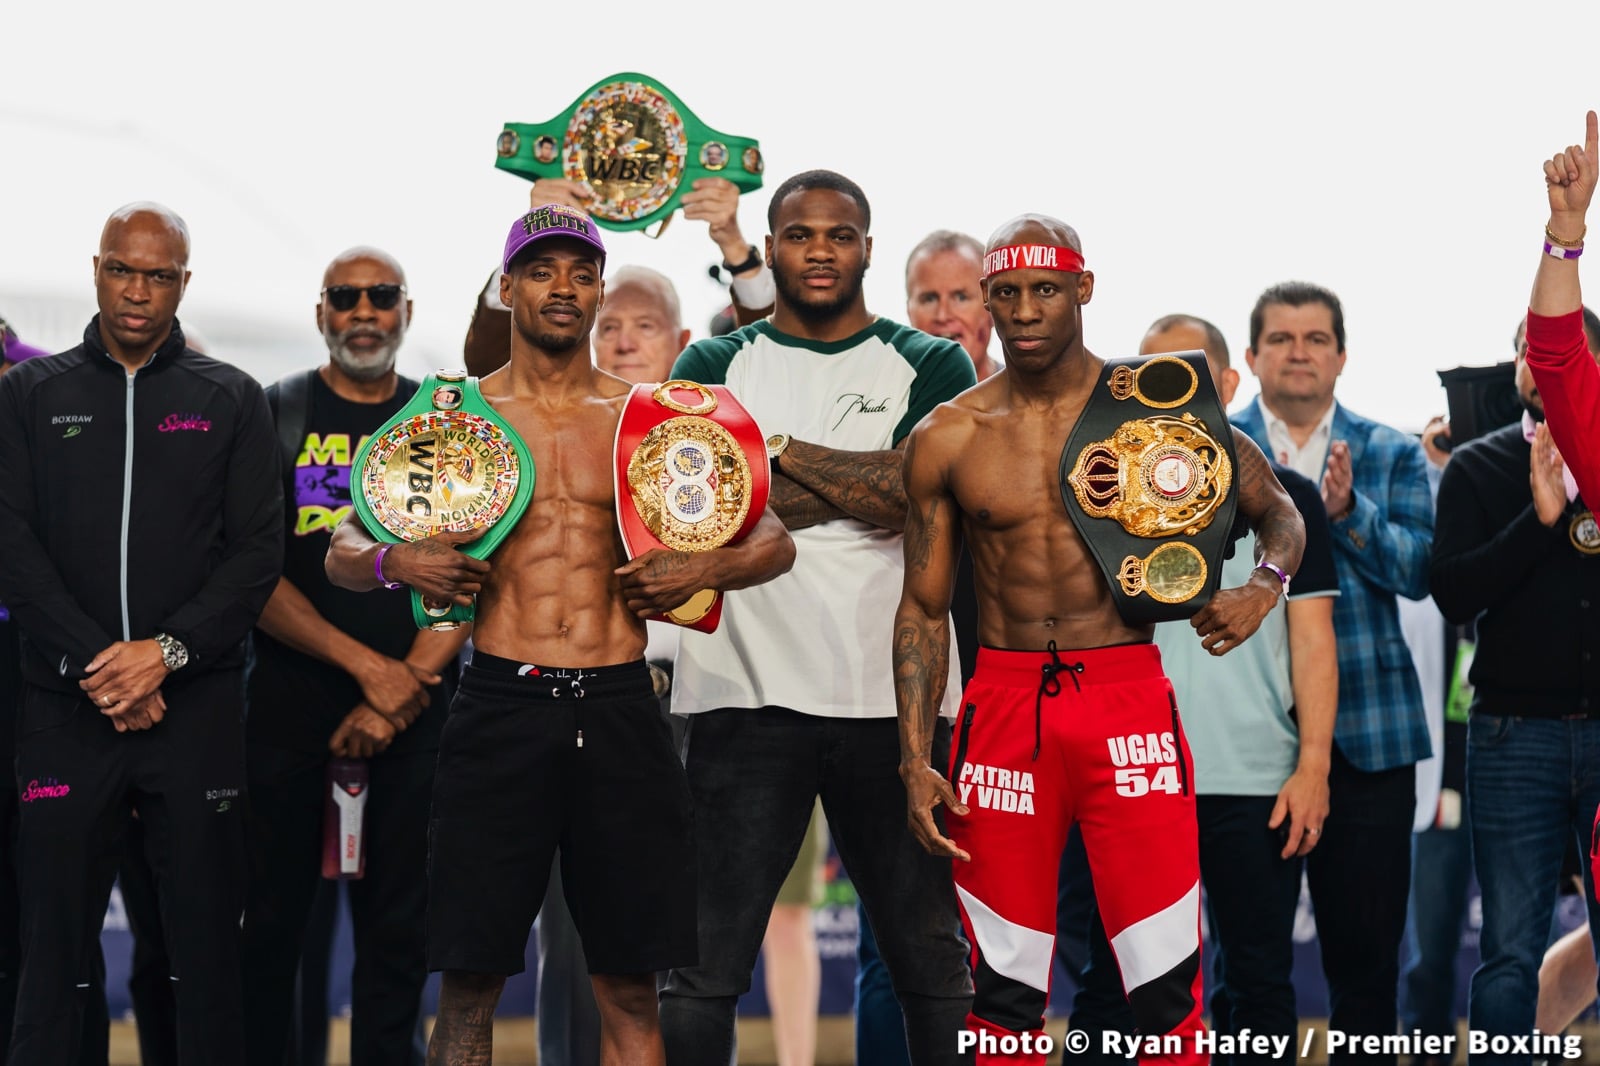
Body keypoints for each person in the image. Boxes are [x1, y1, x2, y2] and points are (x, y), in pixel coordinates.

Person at [326, 202, 795, 1066]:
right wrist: (402, 563)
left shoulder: (648, 418)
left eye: (582, 273)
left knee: (628, 988)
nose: (564, 288)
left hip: (619, 706)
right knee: (468, 988)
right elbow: (346, 548)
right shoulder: (455, 417)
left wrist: (704, 569)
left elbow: (771, 539)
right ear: (508, 288)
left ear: (599, 290)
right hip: (501, 701)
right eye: (542, 271)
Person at [895, 215, 1304, 1066]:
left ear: (1083, 289)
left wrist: (1263, 591)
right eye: (1004, 294)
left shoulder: (1153, 407)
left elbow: (1280, 514)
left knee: (1162, 980)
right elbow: (923, 610)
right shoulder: (949, 434)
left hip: (1124, 693)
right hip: (1003, 707)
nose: (1026, 311)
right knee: (1000, 991)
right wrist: (912, 753)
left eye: (1045, 290)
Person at [659, 169, 978, 1066]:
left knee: (930, 965)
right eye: (801, 235)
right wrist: (863, 482)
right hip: (740, 694)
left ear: (868, 248)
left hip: (896, 704)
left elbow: (916, 498)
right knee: (703, 969)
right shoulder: (714, 366)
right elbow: (701, 512)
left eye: (840, 235)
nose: (822, 251)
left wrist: (774, 459)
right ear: (771, 248)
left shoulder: (933, 362)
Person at [0, 202, 284, 1065]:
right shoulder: (28, 393)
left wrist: (163, 655)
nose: (138, 291)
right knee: (48, 958)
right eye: (124, 269)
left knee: (200, 960)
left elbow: (256, 556)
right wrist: (101, 667)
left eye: (159, 276)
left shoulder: (229, 398)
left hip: (191, 713)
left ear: (182, 285)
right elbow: (12, 542)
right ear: (97, 269)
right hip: (64, 710)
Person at [238, 247, 469, 1066]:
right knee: (272, 930)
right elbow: (249, 576)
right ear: (321, 314)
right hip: (288, 709)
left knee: (400, 936)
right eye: (345, 297)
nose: (363, 312)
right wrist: (368, 672)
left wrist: (402, 684)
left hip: (417, 710)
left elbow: (478, 568)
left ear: (406, 311)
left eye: (380, 296)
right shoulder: (274, 411)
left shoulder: (442, 424)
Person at [1232, 280, 1434, 1060]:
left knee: (1369, 967)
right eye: (1281, 339)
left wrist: (1350, 518)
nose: (1299, 352)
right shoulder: (1213, 452)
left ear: (1342, 356)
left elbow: (1422, 574)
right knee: (1249, 966)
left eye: (1316, 339)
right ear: (1250, 358)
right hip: (1248, 740)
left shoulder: (1389, 450)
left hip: (1370, 742)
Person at [1431, 277, 1600, 1060]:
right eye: (1528, 350)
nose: (1541, 364)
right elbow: (1455, 593)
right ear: (1515, 366)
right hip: (1511, 736)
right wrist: (1538, 523)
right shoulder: (1478, 466)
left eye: (1562, 352)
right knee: (1506, 952)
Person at [905, 230, 999, 382]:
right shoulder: (881, 398)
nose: (943, 315)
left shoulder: (1032, 398)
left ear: (993, 309)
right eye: (929, 299)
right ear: (909, 310)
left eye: (961, 298)